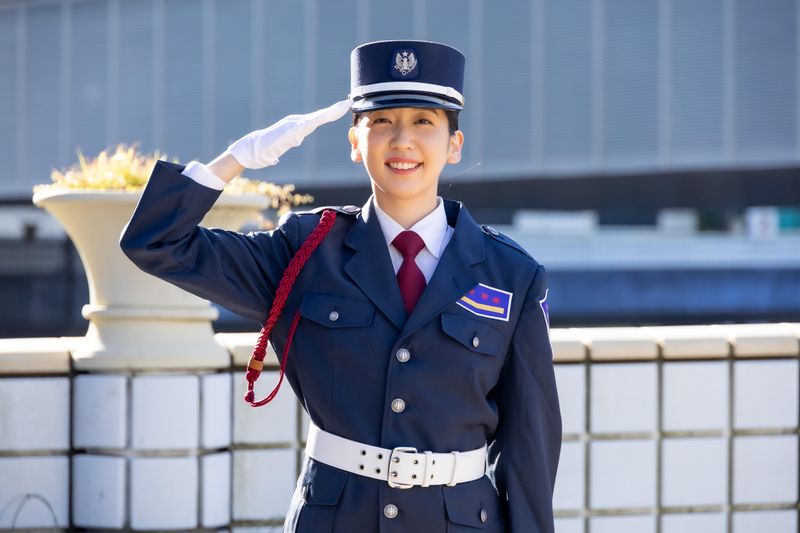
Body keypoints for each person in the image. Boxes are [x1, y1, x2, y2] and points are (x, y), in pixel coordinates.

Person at [120, 39, 561, 533]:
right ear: (354, 141)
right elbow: (156, 243)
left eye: (423, 122)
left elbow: (530, 445)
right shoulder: (304, 254)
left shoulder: (511, 276)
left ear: (454, 144)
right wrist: (236, 158)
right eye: (380, 122)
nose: (402, 141)